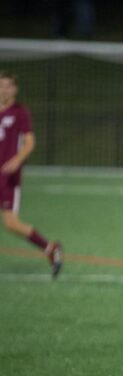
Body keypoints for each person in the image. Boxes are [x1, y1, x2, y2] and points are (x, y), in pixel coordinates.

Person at [0, 71, 63, 278]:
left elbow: (29, 142)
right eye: (1, 85)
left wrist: (16, 161)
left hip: (7, 177)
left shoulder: (19, 112)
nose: (4, 89)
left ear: (15, 89)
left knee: (11, 223)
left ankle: (50, 248)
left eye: (8, 85)